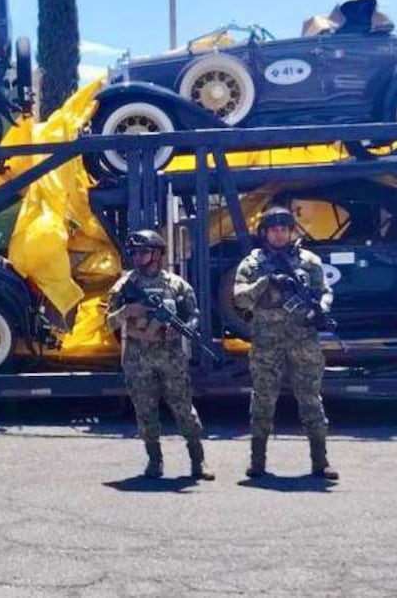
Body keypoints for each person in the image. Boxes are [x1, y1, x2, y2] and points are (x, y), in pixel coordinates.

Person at [233, 206, 339, 480]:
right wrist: (265, 283)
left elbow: (324, 292)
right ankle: (258, 462)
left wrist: (322, 309)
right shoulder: (252, 264)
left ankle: (320, 461)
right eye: (274, 230)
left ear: (292, 231)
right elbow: (239, 298)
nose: (279, 235)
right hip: (266, 344)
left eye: (284, 229)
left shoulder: (309, 261)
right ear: (265, 233)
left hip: (303, 341)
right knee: (263, 402)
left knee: (311, 401)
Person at [105, 230, 214, 480]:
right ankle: (154, 461)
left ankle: (198, 461)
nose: (137, 257)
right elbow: (107, 323)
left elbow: (194, 313)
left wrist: (189, 328)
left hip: (171, 357)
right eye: (134, 253)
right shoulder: (123, 287)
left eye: (143, 252)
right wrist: (127, 310)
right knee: (145, 412)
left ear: (157, 254)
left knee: (184, 410)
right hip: (138, 357)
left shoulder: (176, 285)